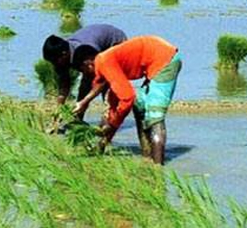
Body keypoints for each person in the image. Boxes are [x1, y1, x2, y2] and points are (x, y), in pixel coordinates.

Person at [72, 36, 182, 164]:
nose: (85, 75)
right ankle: (147, 157)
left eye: (83, 71)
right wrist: (102, 143)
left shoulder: (104, 62)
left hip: (165, 60)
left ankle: (158, 168)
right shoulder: (107, 66)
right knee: (139, 106)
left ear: (88, 64)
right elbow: (114, 105)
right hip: (155, 60)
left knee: (154, 115)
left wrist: (112, 124)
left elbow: (127, 98)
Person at [42, 24, 127, 118]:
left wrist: (84, 101)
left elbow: (100, 81)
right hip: (95, 45)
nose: (54, 64)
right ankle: (78, 118)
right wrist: (59, 108)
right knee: (85, 87)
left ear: (64, 54)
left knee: (107, 88)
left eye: (54, 61)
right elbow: (64, 83)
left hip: (115, 43)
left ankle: (110, 121)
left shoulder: (85, 52)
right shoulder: (61, 58)